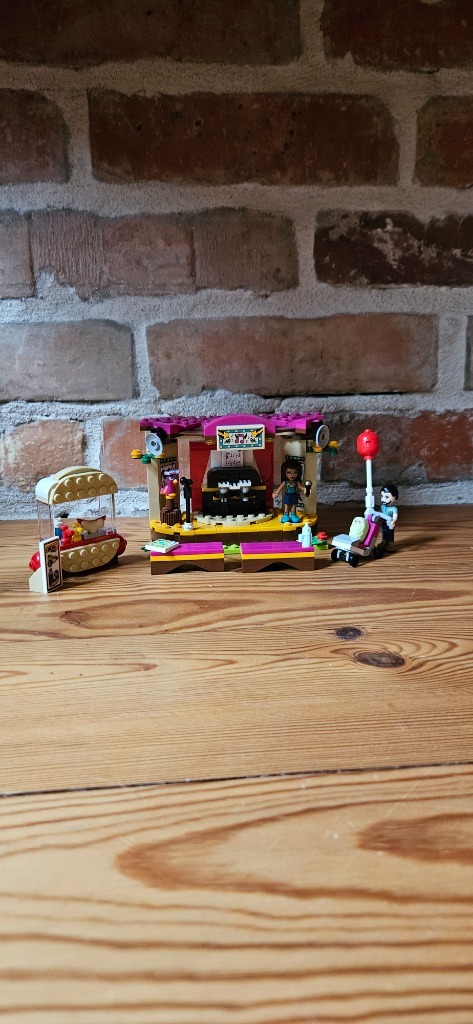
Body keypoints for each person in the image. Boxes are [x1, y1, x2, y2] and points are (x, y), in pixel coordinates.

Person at [272, 459, 306, 524]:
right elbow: (280, 488)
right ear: (285, 473)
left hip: (294, 495)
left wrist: (305, 489)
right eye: (289, 473)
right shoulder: (285, 482)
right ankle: (286, 515)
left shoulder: (296, 482)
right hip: (287, 495)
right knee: (286, 505)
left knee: (294, 505)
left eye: (295, 473)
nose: (292, 475)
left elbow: (301, 487)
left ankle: (293, 515)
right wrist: (276, 493)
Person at [379, 483, 399, 552]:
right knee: (384, 532)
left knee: (390, 534)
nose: (383, 499)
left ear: (395, 497)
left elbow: (395, 516)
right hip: (384, 523)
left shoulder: (393, 509)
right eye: (382, 496)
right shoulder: (382, 507)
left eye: (387, 497)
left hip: (390, 524)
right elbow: (381, 513)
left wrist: (393, 521)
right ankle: (384, 541)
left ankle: (391, 544)